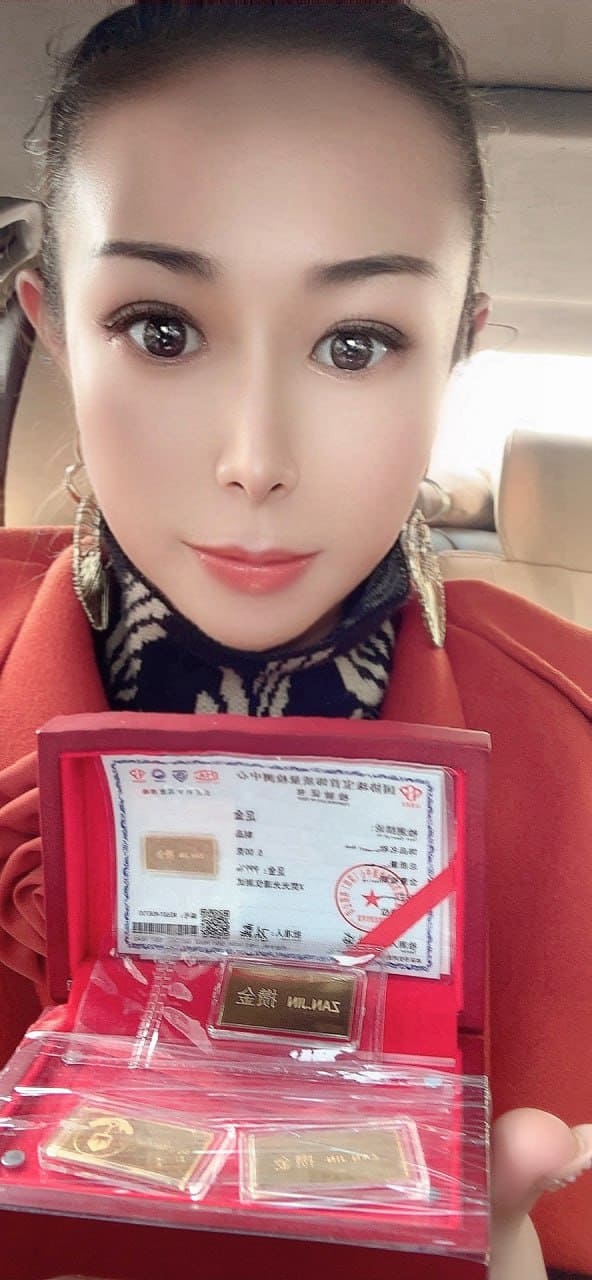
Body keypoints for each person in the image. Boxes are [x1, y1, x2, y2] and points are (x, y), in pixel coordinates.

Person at [0, 4, 590, 1278]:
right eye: (161, 329)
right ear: (48, 324)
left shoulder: (578, 740)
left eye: (355, 343)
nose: (254, 459)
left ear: (457, 349)